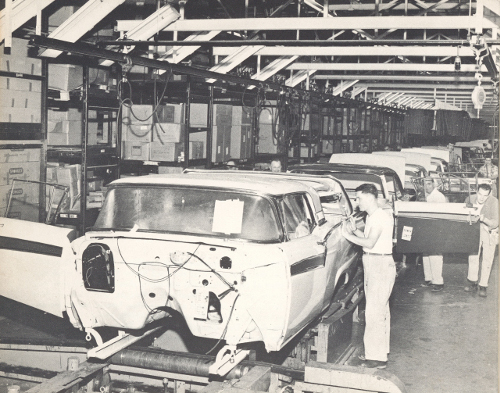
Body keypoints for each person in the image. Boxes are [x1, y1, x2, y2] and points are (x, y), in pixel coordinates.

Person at [342, 183, 396, 369]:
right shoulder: (373, 216)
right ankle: (379, 352)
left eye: (359, 198)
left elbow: (370, 243)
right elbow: (369, 238)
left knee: (374, 312)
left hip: (379, 264)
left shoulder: (379, 217)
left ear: (370, 197)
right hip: (375, 264)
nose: (357, 203)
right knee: (380, 311)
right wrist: (353, 230)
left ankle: (377, 358)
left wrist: (346, 236)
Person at [464, 183, 498, 297]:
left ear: (489, 195)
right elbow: (462, 216)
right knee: (473, 256)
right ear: (476, 191)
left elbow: (496, 222)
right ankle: (473, 282)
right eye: (480, 194)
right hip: (474, 230)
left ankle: (483, 285)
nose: (481, 197)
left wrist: (484, 219)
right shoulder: (469, 199)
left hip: (489, 230)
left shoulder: (494, 202)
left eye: (485, 195)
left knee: (487, 259)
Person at [421, 178, 447, 292]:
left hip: (437, 228)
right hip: (429, 227)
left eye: (429, 184)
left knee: (435, 254)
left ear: (433, 184)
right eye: (425, 185)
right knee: (426, 253)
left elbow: (440, 214)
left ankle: (438, 282)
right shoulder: (429, 196)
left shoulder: (438, 196)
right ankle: (429, 279)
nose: (427, 187)